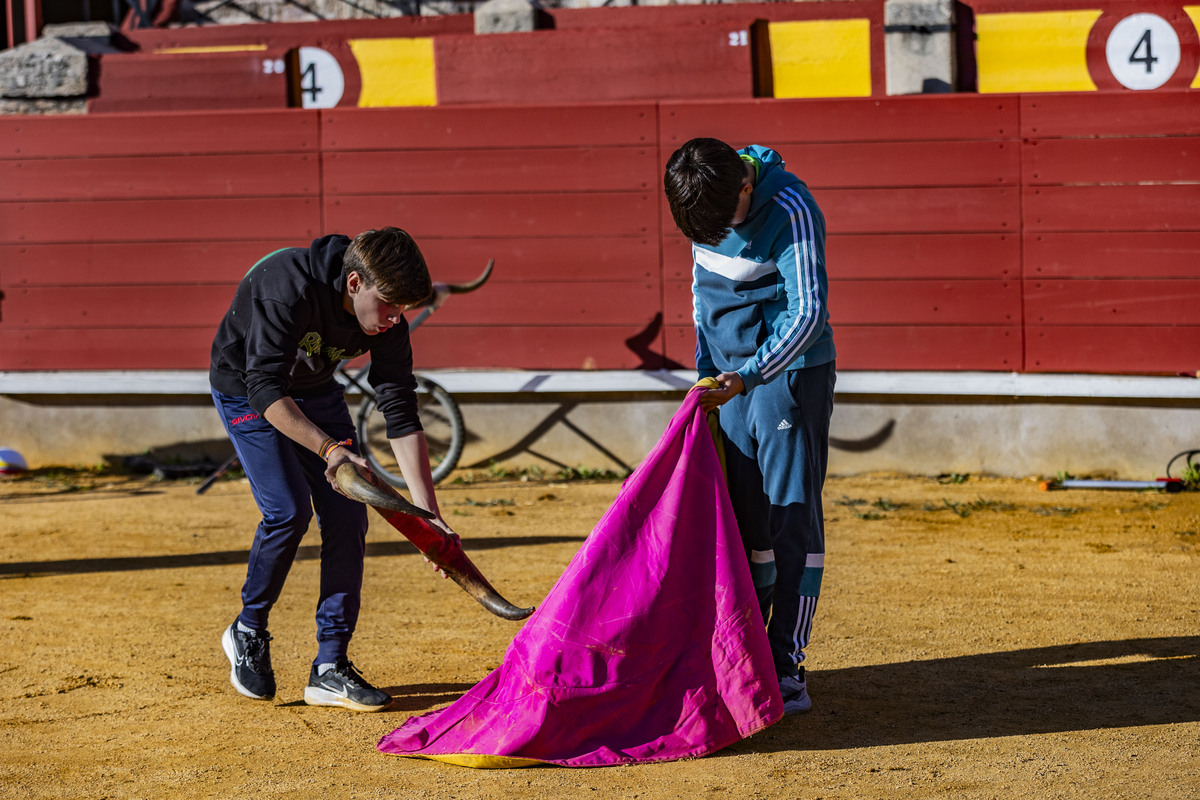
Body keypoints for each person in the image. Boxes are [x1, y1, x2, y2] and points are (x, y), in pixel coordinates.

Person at [209, 226, 453, 713]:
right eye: (388, 305)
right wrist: (328, 449)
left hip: (316, 393)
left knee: (347, 517)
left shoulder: (388, 321)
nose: (393, 319)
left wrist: (429, 514)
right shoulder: (289, 284)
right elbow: (263, 387)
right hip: (248, 391)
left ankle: (330, 667)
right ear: (355, 283)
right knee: (288, 511)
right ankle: (249, 629)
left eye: (402, 310)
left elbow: (399, 409)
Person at [663, 138, 837, 715]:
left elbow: (808, 311)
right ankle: (746, 650)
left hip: (786, 375)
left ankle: (787, 664)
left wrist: (750, 374)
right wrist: (708, 376)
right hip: (731, 382)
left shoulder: (790, 205)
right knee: (743, 522)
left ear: (744, 186)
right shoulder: (704, 200)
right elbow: (702, 299)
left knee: (790, 519)